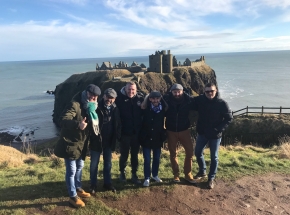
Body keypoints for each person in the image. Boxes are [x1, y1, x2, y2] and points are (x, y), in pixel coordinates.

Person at [54, 84, 101, 208]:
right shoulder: (75, 104)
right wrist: (77, 124)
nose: (93, 98)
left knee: (80, 165)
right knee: (72, 170)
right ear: (86, 93)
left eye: (96, 96)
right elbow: (62, 120)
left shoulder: (91, 107)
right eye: (91, 95)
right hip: (70, 142)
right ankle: (73, 196)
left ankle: (78, 187)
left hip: (81, 143)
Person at [192, 82, 233, 189]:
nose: (210, 93)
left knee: (214, 157)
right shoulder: (200, 100)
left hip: (215, 134)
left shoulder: (222, 103)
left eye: (212, 91)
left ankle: (211, 178)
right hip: (203, 133)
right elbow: (190, 101)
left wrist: (218, 129)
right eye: (207, 91)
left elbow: (229, 118)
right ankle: (202, 171)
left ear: (216, 91)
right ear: (204, 92)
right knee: (197, 152)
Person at [89, 88, 121, 194]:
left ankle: (107, 183)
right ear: (104, 96)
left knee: (108, 164)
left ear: (115, 99)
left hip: (109, 140)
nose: (109, 99)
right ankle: (93, 185)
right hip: (96, 140)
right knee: (94, 164)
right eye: (108, 97)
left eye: (111, 98)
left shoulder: (115, 109)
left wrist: (117, 137)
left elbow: (118, 124)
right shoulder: (96, 107)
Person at [163, 84, 196, 183]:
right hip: (171, 131)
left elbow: (200, 104)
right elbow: (154, 99)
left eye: (179, 92)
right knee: (173, 154)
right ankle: (176, 175)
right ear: (171, 92)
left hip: (184, 130)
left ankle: (188, 174)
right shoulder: (166, 100)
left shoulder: (188, 100)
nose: (177, 94)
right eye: (174, 92)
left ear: (182, 91)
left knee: (190, 152)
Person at [115, 81, 144, 185]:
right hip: (124, 133)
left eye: (133, 90)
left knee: (135, 155)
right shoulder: (118, 99)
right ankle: (122, 173)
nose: (131, 91)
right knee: (124, 155)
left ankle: (134, 174)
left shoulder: (140, 98)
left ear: (136, 90)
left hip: (136, 133)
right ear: (125, 89)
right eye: (129, 89)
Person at [139, 91, 167, 187]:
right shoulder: (145, 108)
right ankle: (147, 177)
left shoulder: (163, 108)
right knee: (147, 159)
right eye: (153, 98)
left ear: (160, 99)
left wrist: (164, 134)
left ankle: (155, 175)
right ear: (150, 99)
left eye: (157, 98)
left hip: (157, 137)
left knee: (156, 158)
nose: (155, 100)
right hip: (146, 137)